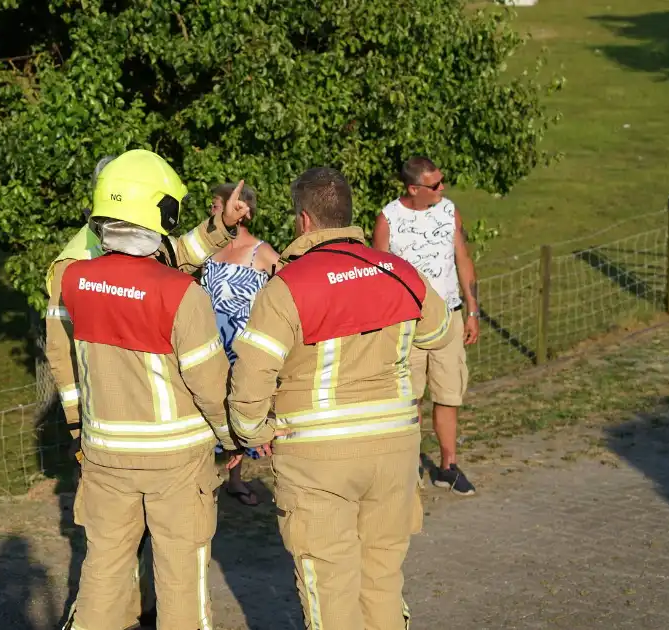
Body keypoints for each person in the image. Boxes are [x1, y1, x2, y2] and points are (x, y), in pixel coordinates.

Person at [227, 166, 456, 629]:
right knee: (382, 580)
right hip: (394, 448)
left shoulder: (287, 287)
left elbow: (252, 373)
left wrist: (254, 432)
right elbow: (438, 332)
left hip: (318, 455)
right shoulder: (398, 271)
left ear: (304, 221)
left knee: (329, 587)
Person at [45, 157, 250, 628]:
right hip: (175, 462)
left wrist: (81, 430)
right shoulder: (179, 293)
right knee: (180, 580)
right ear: (160, 214)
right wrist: (233, 437)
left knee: (103, 573)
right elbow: (209, 383)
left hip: (105, 453)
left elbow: (63, 362)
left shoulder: (70, 276)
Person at [373, 156, 480, 496]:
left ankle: (448, 466)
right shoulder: (388, 219)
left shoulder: (449, 211)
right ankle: (409, 465)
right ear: (413, 188)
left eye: (442, 181)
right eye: (435, 185)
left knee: (449, 393)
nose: (442, 189)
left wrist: (473, 309)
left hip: (450, 317)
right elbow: (380, 277)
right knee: (410, 397)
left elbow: (462, 259)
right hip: (409, 324)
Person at [199, 182, 279, 506]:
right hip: (206, 344)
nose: (211, 212)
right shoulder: (207, 249)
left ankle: (235, 478)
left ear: (241, 211)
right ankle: (204, 477)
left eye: (217, 205)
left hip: (241, 345)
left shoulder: (263, 253)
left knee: (238, 404)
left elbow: (290, 293)